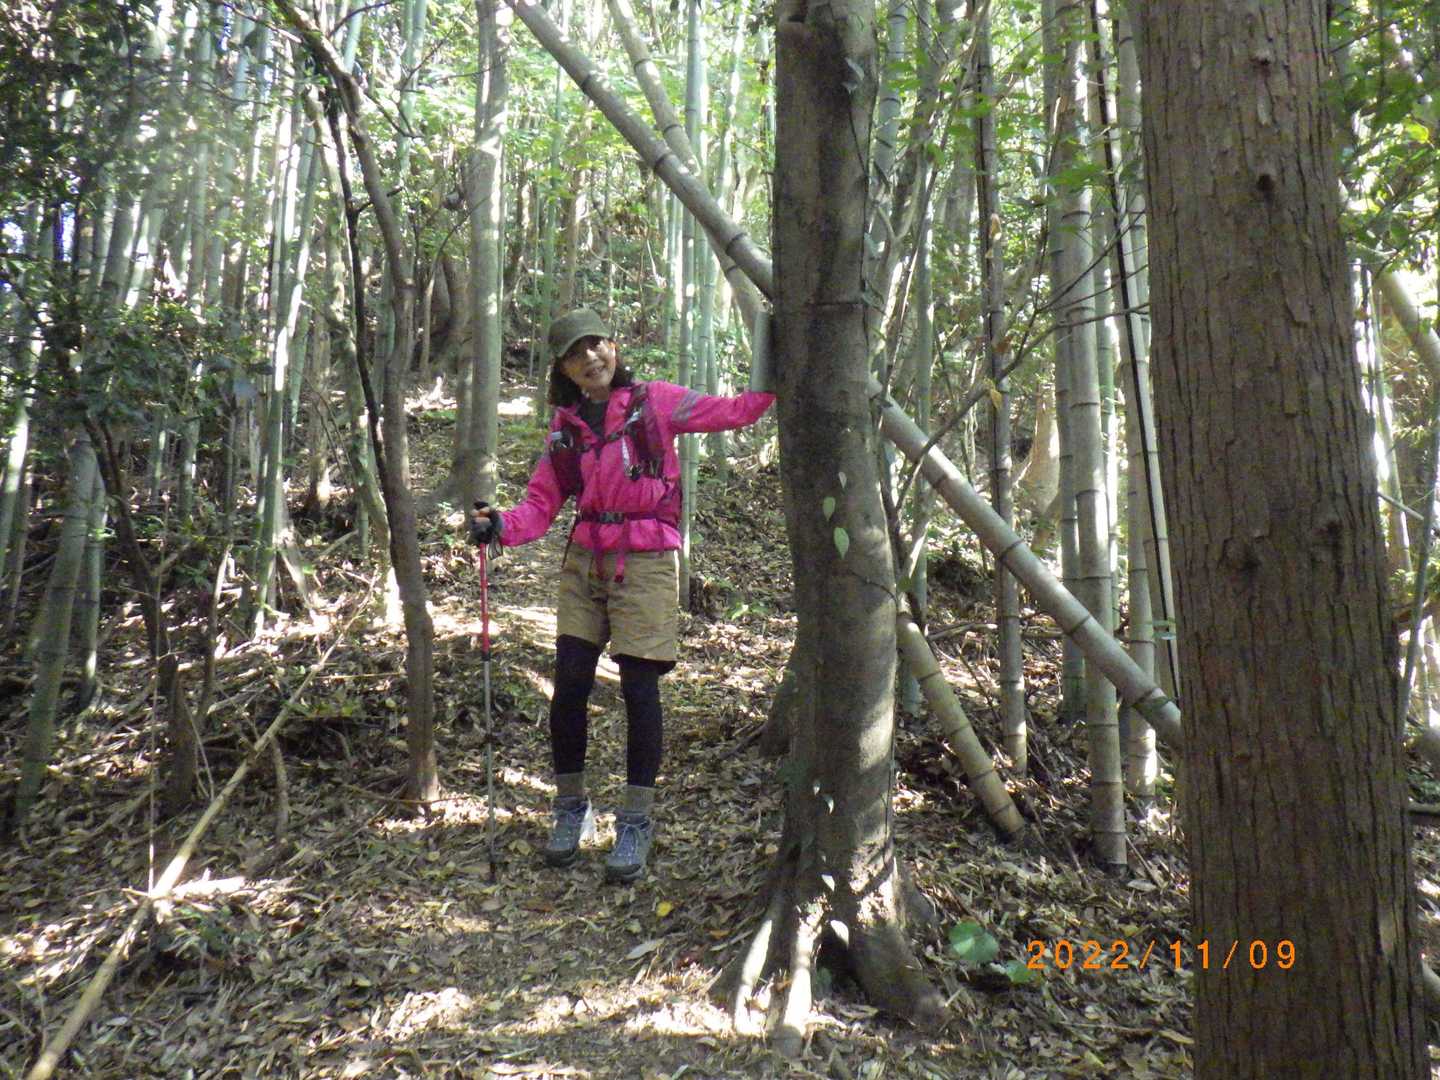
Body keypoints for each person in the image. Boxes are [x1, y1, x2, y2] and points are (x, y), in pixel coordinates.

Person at [467, 308, 774, 882]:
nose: (590, 358)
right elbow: (541, 502)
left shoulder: (656, 402)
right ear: (563, 369)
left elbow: (736, 411)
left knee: (639, 687)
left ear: (613, 347)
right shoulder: (565, 429)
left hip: (647, 559)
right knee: (570, 683)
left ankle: (635, 819)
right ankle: (571, 809)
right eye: (574, 353)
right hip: (586, 560)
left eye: (596, 345)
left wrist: (773, 350)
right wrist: (501, 525)